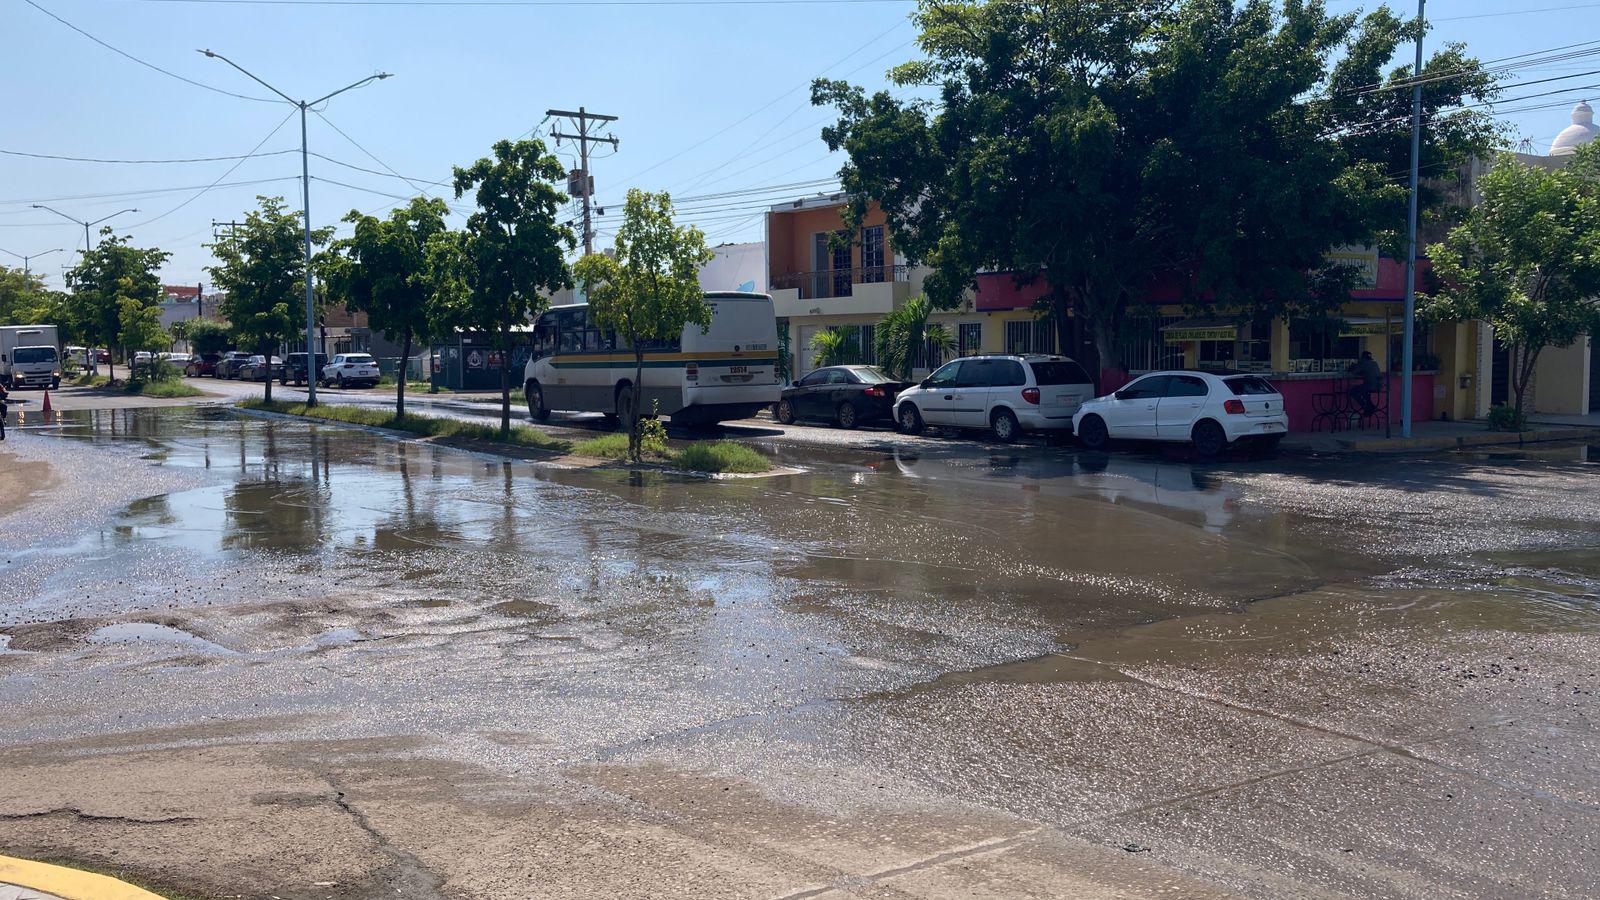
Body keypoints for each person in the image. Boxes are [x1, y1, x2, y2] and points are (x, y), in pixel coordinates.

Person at [1348, 350, 1382, 417]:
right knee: (1364, 391)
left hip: (1369, 385)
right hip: (1377, 386)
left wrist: (1354, 366)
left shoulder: (1364, 363)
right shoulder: (1375, 363)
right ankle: (1370, 405)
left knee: (1352, 391)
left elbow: (1354, 372)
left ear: (1363, 358)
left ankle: (1366, 406)